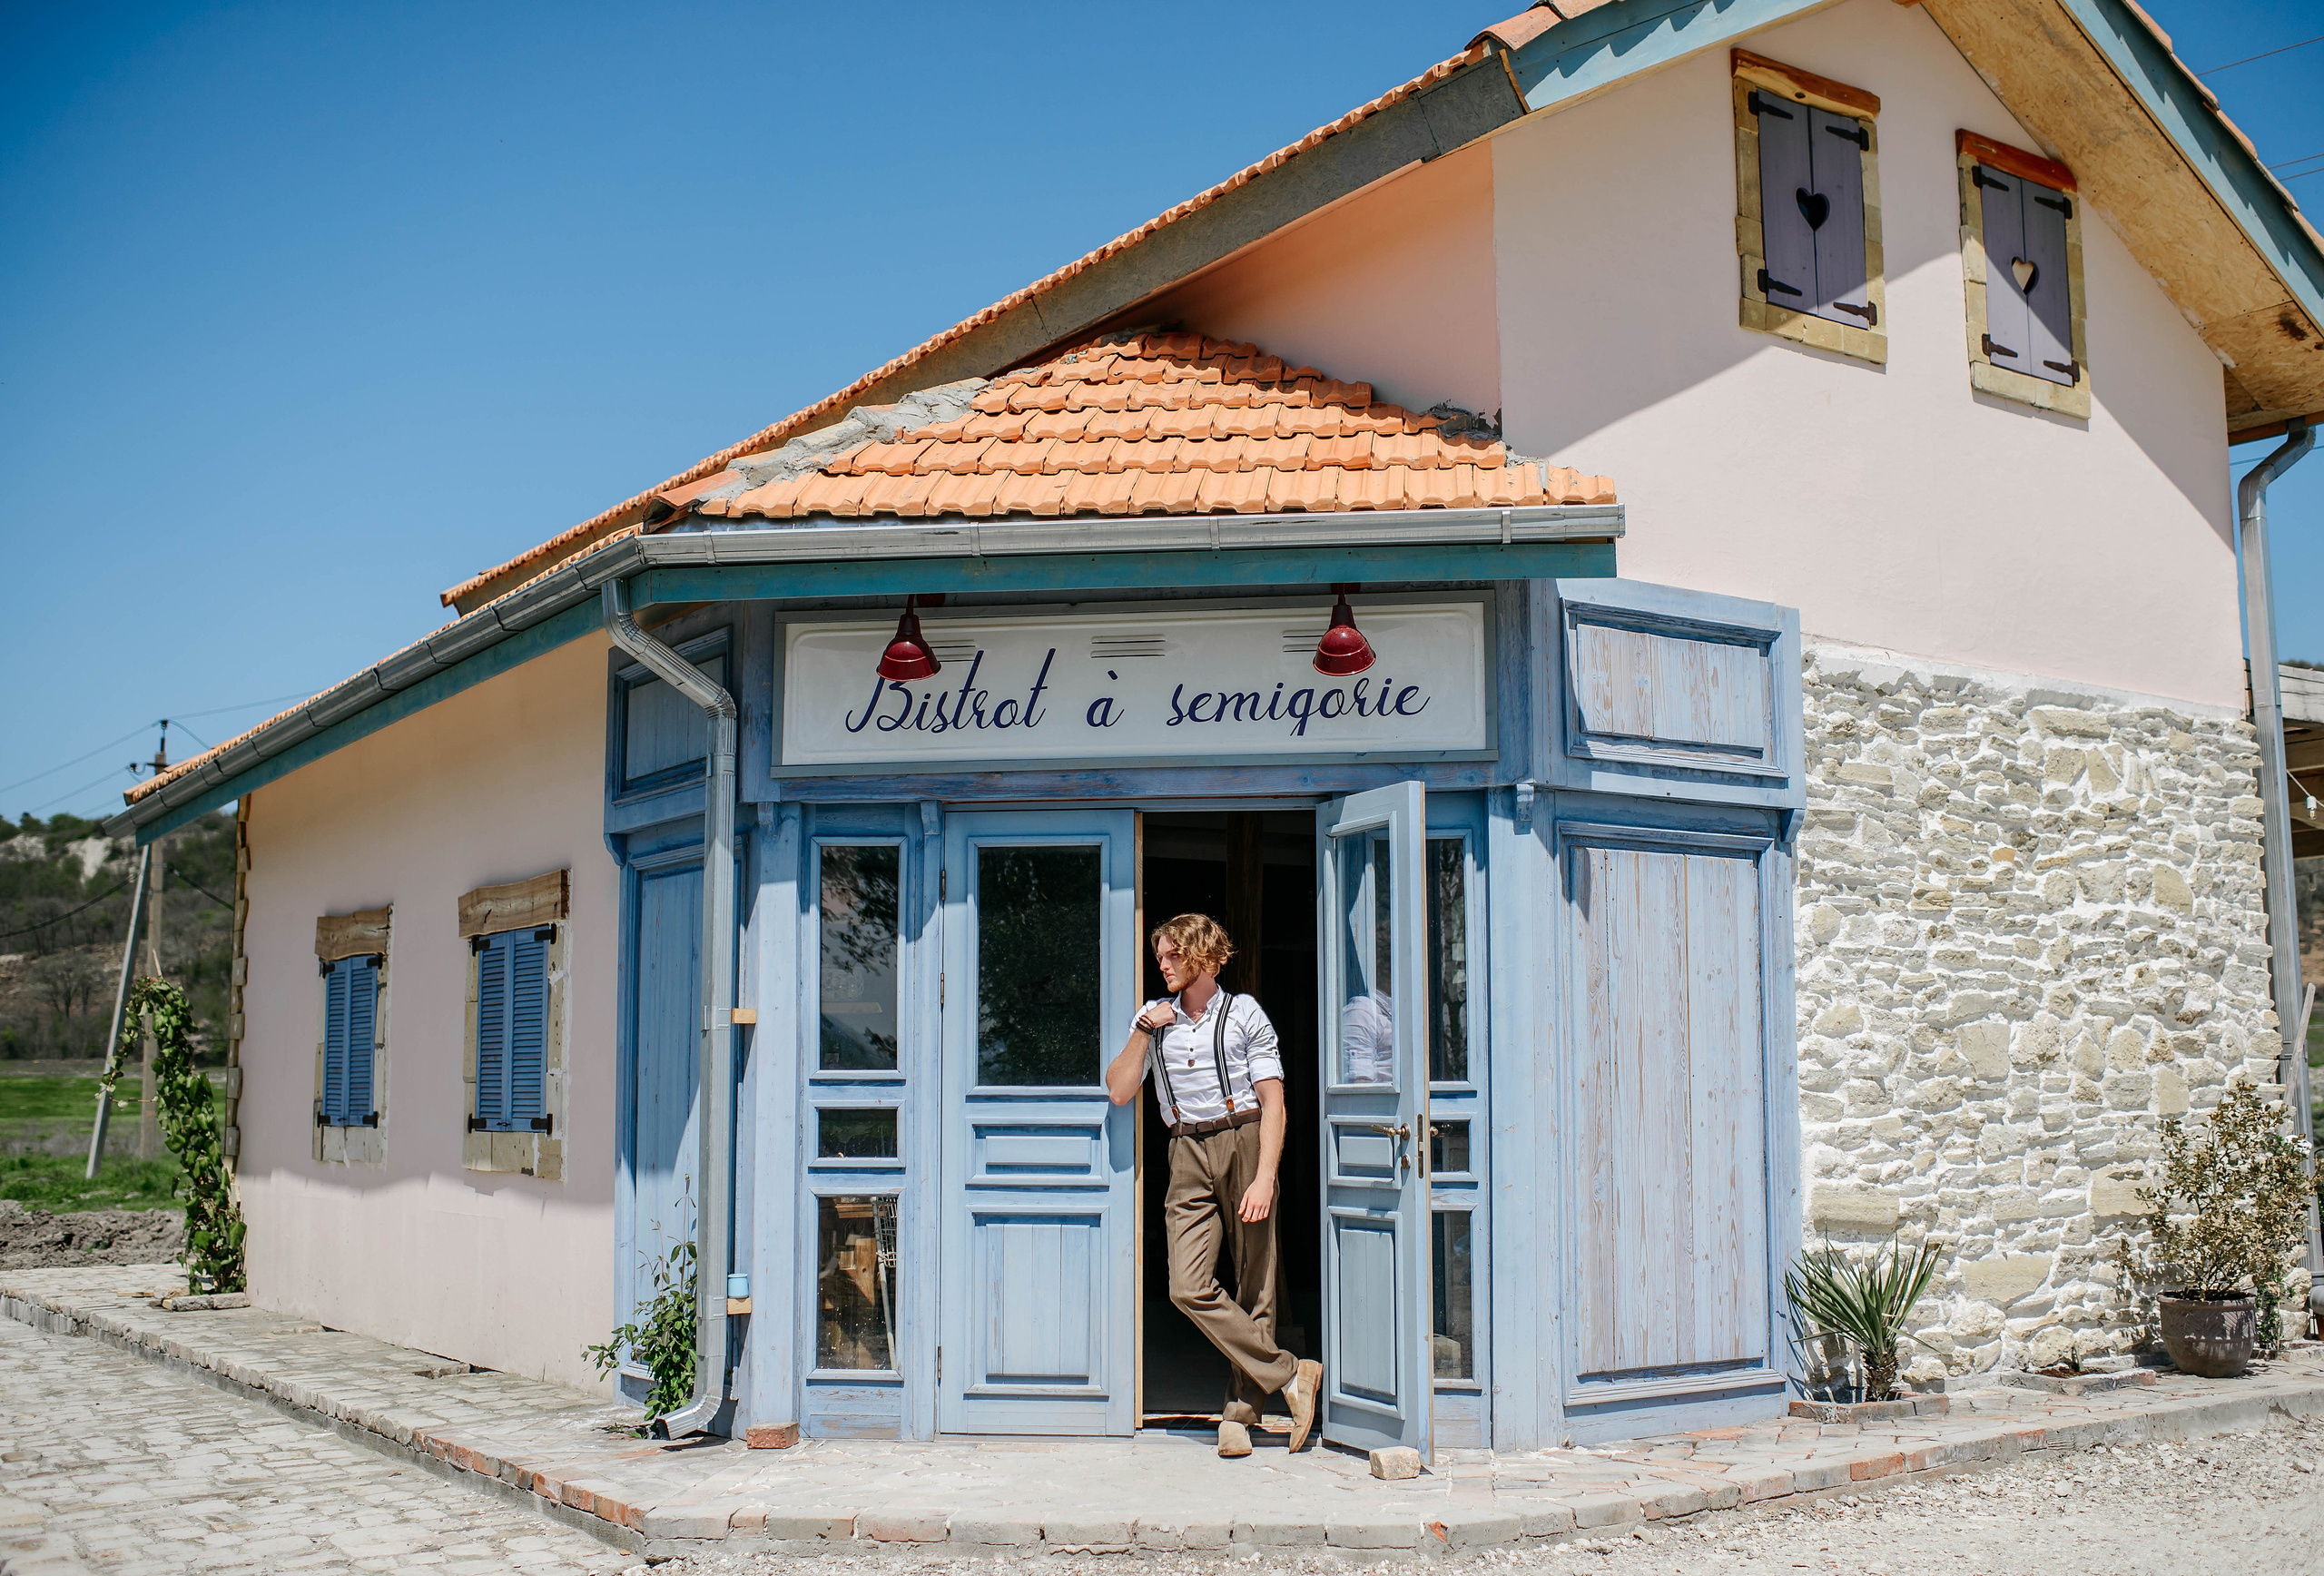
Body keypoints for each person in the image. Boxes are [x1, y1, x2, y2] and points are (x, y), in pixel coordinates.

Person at [1107, 913, 1324, 1459]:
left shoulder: (1244, 1012)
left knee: (1257, 1283)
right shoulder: (1153, 1020)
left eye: (1172, 954)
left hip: (1244, 1138)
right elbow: (1118, 1090)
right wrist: (1144, 1029)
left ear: (1202, 956)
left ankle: (1241, 1414)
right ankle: (1292, 1374)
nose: (1162, 964)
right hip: (1185, 1149)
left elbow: (1274, 1102)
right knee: (1187, 1285)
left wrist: (1265, 1176)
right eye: (1159, 956)